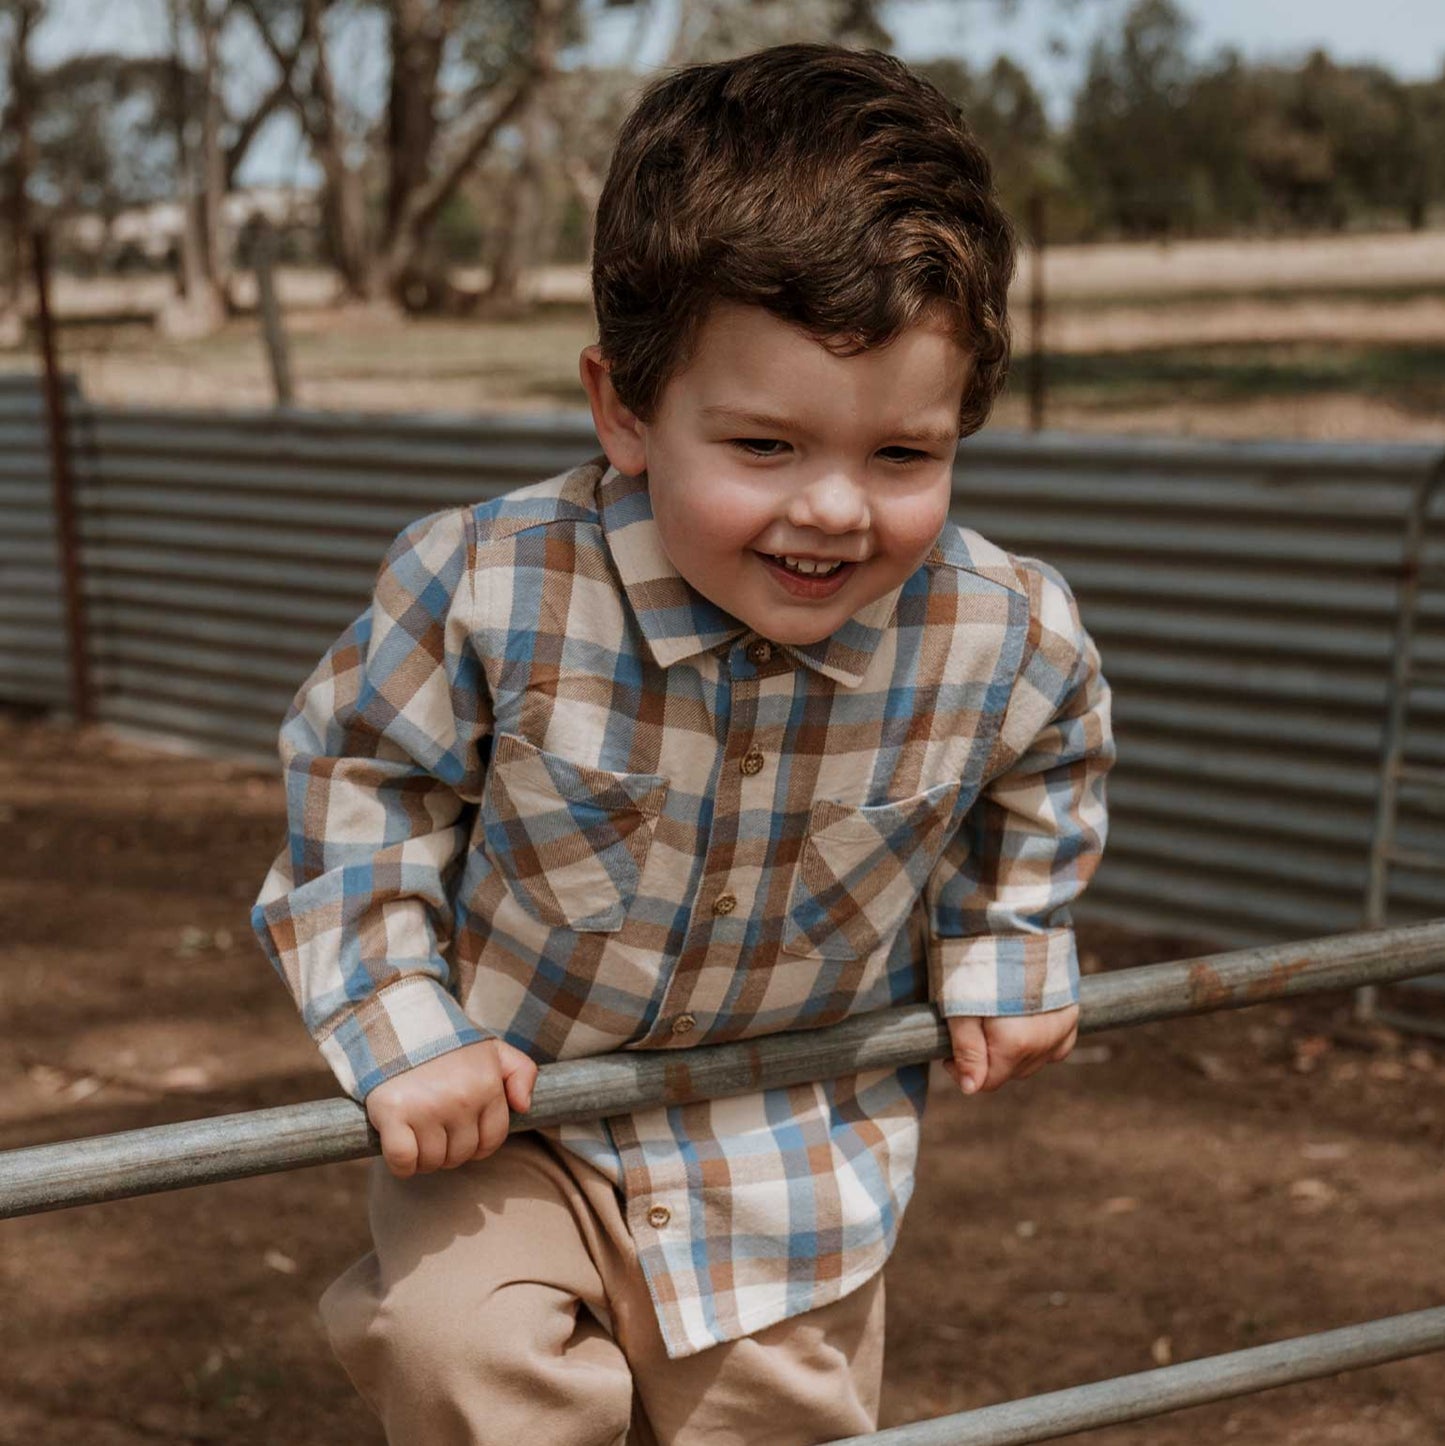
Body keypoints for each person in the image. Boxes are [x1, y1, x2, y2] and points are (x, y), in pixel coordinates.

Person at [252, 41, 1114, 1446]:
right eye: (764, 447)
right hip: (513, 1120)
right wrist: (406, 1031)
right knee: (460, 1347)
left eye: (902, 455)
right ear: (625, 407)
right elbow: (360, 793)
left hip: (788, 1151)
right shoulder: (484, 589)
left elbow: (1053, 758)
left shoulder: (1003, 631)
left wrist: (1010, 938)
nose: (834, 509)